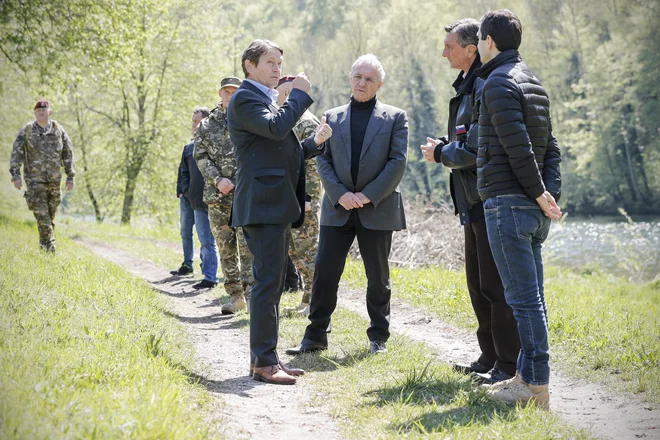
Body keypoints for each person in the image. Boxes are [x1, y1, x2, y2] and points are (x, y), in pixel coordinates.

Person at [420, 19, 520, 385]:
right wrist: (447, 150)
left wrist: (441, 153)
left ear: (471, 48)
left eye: (449, 45)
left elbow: (478, 150)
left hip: (487, 197)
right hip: (470, 199)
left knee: (495, 286)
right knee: (478, 285)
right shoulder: (467, 87)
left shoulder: (483, 86)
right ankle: (490, 356)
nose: (443, 52)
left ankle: (509, 365)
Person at [287, 54, 408, 356]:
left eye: (368, 79)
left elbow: (397, 163)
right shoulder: (332, 116)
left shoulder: (395, 117)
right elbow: (323, 160)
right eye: (357, 76)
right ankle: (314, 337)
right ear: (350, 78)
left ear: (379, 84)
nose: (361, 83)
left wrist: (366, 196)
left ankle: (378, 337)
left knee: (377, 277)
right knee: (325, 271)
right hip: (337, 208)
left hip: (376, 208)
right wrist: (341, 194)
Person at [227, 39, 332, 384]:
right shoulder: (245, 98)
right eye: (270, 62)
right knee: (266, 285)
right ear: (249, 66)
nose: (277, 68)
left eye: (279, 63)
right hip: (263, 205)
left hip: (274, 203)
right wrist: (300, 95)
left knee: (271, 286)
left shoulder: (265, 100)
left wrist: (313, 144)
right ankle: (264, 363)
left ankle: (266, 359)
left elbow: (278, 151)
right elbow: (275, 128)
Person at [474, 9, 562, 409]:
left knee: (523, 301)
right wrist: (547, 195)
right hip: (531, 206)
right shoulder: (534, 83)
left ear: (489, 41)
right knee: (533, 298)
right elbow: (552, 149)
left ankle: (535, 388)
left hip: (509, 204)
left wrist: (540, 192)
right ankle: (526, 378)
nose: (477, 46)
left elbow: (518, 148)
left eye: (478, 39)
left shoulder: (497, 81)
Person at [194, 77, 253, 313]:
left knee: (248, 247)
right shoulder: (207, 125)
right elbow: (200, 156)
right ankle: (236, 296)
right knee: (226, 248)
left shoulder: (249, 120)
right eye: (226, 91)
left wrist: (237, 182)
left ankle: (251, 296)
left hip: (244, 194)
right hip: (217, 196)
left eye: (235, 92)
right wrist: (217, 180)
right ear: (220, 94)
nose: (230, 95)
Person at [275, 75, 322, 316]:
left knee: (308, 251)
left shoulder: (306, 122)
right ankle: (308, 298)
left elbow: (313, 167)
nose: (279, 96)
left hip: (304, 199)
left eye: (283, 91)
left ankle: (317, 300)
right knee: (295, 252)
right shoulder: (285, 120)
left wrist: (309, 198)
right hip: (290, 198)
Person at [10, 99, 75, 252]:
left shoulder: (59, 130)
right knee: (42, 216)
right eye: (38, 110)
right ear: (35, 113)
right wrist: (16, 175)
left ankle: (43, 247)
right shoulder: (27, 131)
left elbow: (68, 154)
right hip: (34, 182)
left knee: (49, 217)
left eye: (44, 110)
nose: (41, 112)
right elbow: (16, 154)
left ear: (49, 112)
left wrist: (70, 176)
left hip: (54, 182)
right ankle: (50, 248)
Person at [170, 107, 220, 289]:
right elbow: (183, 172)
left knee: (208, 240)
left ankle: (210, 277)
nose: (194, 125)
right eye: (193, 121)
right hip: (192, 199)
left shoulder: (214, 146)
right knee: (193, 235)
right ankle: (193, 267)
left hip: (211, 200)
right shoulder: (189, 147)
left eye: (197, 122)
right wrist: (184, 191)